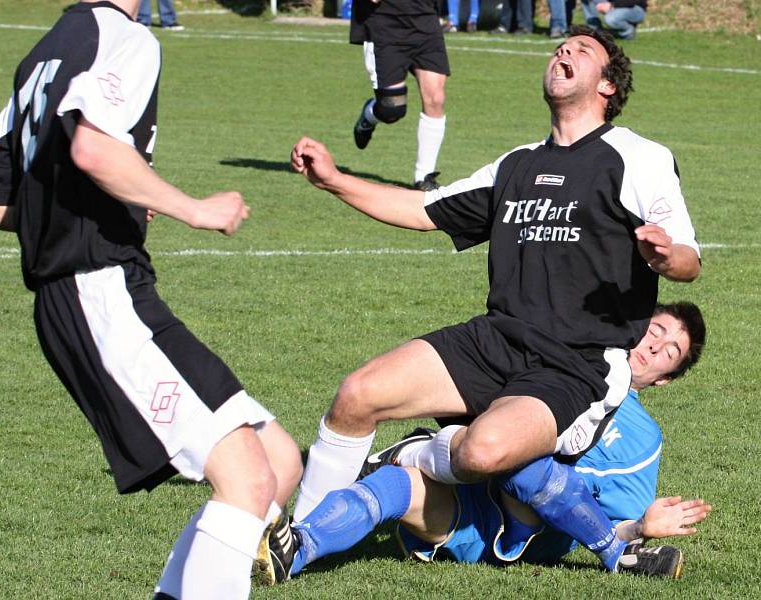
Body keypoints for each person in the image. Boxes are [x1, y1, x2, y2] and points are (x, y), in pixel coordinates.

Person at [290, 25, 700, 524]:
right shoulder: (516, 165)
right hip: (496, 338)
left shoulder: (639, 157)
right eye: (560, 47)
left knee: (480, 453)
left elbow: (688, 258)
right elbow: (425, 209)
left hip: (577, 363)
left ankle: (412, 454)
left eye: (581, 50)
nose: (563, 51)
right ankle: (297, 537)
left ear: (608, 85)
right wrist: (334, 181)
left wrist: (664, 258)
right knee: (358, 395)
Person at [0, 2, 301, 599]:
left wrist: (112, 200)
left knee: (278, 463)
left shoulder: (39, 59)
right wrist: (197, 209)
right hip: (99, 293)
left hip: (93, 296)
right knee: (249, 480)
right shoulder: (124, 37)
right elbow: (95, 151)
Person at [269, 303, 710, 580]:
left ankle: (418, 450)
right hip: (472, 486)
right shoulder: (566, 360)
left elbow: (611, 520)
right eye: (655, 330)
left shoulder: (644, 440)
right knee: (393, 487)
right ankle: (296, 548)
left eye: (669, 351)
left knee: (529, 463)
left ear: (664, 380)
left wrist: (640, 529)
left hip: (526, 525)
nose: (654, 348)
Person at [350, 0, 450, 190]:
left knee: (436, 98)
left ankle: (424, 177)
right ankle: (369, 116)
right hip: (385, 23)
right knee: (391, 108)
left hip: (424, 18)